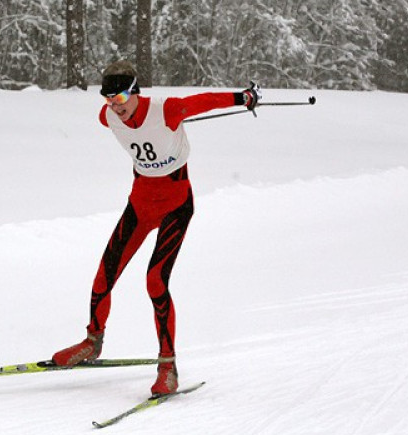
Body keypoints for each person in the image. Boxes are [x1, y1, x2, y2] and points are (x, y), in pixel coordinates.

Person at [52, 60, 261, 396]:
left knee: (155, 281)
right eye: (108, 100)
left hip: (176, 205)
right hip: (140, 204)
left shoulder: (166, 110)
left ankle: (168, 365)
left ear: (135, 91)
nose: (114, 107)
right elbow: (118, 122)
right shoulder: (107, 117)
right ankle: (92, 341)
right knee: (104, 275)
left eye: (120, 98)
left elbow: (205, 101)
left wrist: (244, 98)